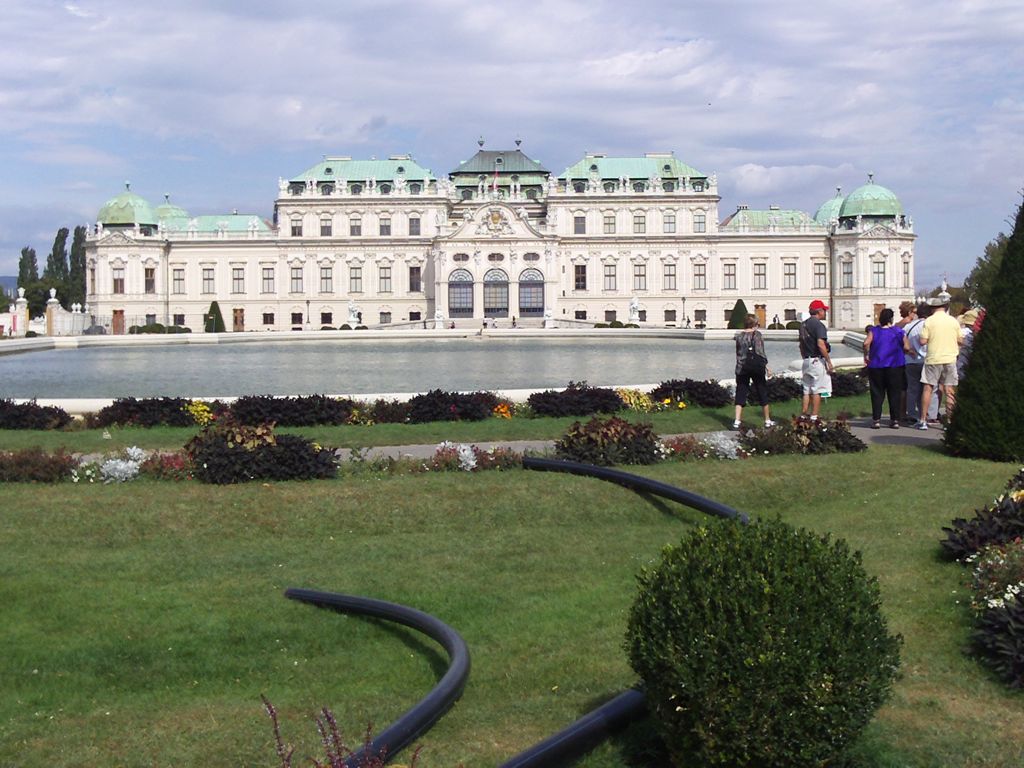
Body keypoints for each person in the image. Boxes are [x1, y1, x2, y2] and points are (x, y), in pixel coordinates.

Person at [916, 295, 964, 430]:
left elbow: (922, 341)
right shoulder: (953, 321)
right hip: (949, 358)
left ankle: (923, 420)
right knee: (949, 390)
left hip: (933, 358)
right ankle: (949, 421)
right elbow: (961, 340)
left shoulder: (929, 321)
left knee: (928, 388)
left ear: (932, 308)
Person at [863, 307, 908, 428]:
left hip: (876, 365)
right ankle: (895, 420)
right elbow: (907, 347)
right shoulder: (898, 331)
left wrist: (866, 355)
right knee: (894, 393)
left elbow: (866, 343)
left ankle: (876, 420)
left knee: (877, 392)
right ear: (891, 319)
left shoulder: (874, 330)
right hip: (895, 365)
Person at [733, 314, 774, 429]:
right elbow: (760, 352)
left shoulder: (739, 336)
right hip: (756, 367)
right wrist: (767, 366)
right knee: (762, 391)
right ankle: (767, 420)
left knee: (741, 392)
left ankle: (737, 421)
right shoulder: (757, 335)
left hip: (742, 367)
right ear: (754, 324)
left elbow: (738, 353)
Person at [798, 299, 835, 421]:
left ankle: (803, 415)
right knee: (817, 390)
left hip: (806, 361)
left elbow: (801, 345)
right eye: (824, 310)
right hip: (816, 361)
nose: (825, 312)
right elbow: (820, 344)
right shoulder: (818, 325)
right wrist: (828, 361)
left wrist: (804, 357)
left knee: (806, 390)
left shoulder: (803, 325)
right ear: (819, 311)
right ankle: (814, 417)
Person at [904, 302, 937, 425]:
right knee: (930, 388)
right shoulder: (930, 325)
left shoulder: (908, 327)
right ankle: (930, 414)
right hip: (927, 360)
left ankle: (912, 414)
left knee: (913, 389)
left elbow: (903, 343)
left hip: (910, 361)